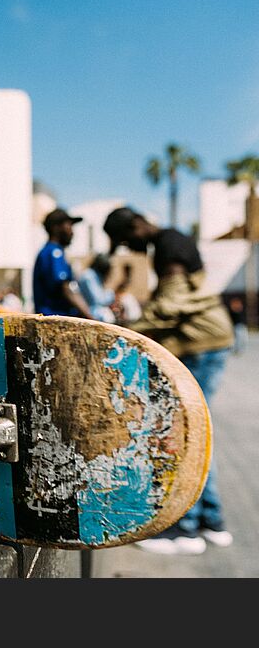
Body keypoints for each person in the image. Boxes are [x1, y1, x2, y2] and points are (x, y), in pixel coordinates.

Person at [104, 205, 235, 555]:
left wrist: (126, 332)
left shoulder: (168, 244)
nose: (128, 249)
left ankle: (186, 529)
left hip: (201, 344)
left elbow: (172, 304)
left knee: (188, 433)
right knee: (197, 430)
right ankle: (211, 521)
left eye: (125, 240)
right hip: (204, 341)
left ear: (135, 225)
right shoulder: (171, 239)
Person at [33, 208, 93, 318]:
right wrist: (92, 319)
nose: (72, 231)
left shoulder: (48, 252)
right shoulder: (53, 252)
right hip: (54, 321)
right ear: (55, 228)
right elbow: (66, 288)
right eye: (68, 225)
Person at [77, 254, 115, 323]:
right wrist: (111, 295)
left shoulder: (94, 275)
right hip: (90, 313)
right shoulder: (89, 276)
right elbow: (98, 300)